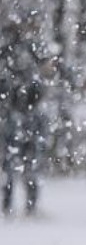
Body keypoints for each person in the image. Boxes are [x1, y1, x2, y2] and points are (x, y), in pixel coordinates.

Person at [0, 18, 48, 217]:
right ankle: (26, 204)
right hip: (23, 116)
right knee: (26, 164)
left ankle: (15, 204)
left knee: (14, 164)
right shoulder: (30, 54)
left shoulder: (11, 54)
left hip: (18, 116)